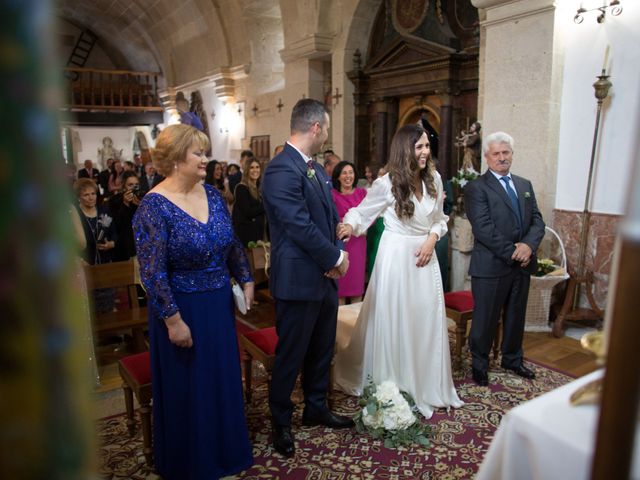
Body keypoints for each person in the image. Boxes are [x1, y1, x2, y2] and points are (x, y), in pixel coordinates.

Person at [132, 124, 254, 479]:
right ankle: (193, 463)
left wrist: (244, 275)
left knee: (220, 381)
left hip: (217, 305)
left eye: (205, 152)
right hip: (182, 309)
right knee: (191, 388)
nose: (206, 159)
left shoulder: (214, 195)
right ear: (174, 159)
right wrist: (172, 320)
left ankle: (226, 453)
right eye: (197, 153)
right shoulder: (152, 207)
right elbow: (153, 273)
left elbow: (230, 242)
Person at [334, 124, 463, 419]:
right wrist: (348, 225)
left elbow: (440, 220)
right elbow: (362, 212)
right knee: (396, 318)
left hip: (425, 258)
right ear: (405, 149)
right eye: (419, 147)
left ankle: (426, 381)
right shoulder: (387, 183)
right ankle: (397, 384)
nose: (425, 152)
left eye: (427, 146)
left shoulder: (435, 178)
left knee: (425, 318)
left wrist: (432, 240)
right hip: (395, 259)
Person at [261, 98, 353, 458]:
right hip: (299, 280)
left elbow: (322, 214)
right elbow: (296, 224)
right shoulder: (281, 169)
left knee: (321, 347)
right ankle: (281, 420)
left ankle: (316, 407)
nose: (327, 134)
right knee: (291, 353)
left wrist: (338, 234)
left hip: (324, 276)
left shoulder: (313, 168)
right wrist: (333, 257)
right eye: (326, 128)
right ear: (315, 127)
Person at [464, 131, 545, 386]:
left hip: (521, 264)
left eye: (505, 152)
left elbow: (537, 221)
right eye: (496, 154)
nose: (502, 158)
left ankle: (512, 359)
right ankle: (479, 363)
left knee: (516, 315)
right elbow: (483, 228)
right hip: (491, 265)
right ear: (486, 158)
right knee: (486, 318)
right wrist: (513, 251)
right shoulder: (476, 188)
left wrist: (528, 247)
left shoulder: (524, 185)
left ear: (512, 154)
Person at [331, 161, 367, 304]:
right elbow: (330, 218)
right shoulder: (332, 195)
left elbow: (369, 217)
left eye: (351, 172)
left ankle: (356, 324)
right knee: (339, 289)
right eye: (344, 173)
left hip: (358, 243)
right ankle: (338, 324)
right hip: (339, 243)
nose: (348, 176)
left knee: (356, 287)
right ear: (338, 176)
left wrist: (355, 226)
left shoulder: (362, 194)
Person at [73, 178, 116, 265]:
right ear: (78, 197)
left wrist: (112, 244)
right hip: (85, 263)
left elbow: (114, 233)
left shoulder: (104, 210)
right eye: (86, 195)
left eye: (93, 194)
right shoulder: (75, 215)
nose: (91, 198)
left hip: (106, 261)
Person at [232, 156, 266, 246]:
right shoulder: (241, 188)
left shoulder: (259, 188)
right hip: (246, 236)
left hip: (258, 233)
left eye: (257, 167)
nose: (255, 170)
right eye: (252, 167)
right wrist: (266, 204)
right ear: (247, 170)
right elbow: (248, 212)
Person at [109, 171, 141, 261]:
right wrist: (125, 204)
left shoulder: (143, 198)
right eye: (130, 185)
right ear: (124, 186)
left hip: (141, 245)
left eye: (136, 185)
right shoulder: (114, 200)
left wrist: (140, 206)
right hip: (124, 246)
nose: (134, 188)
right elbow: (117, 224)